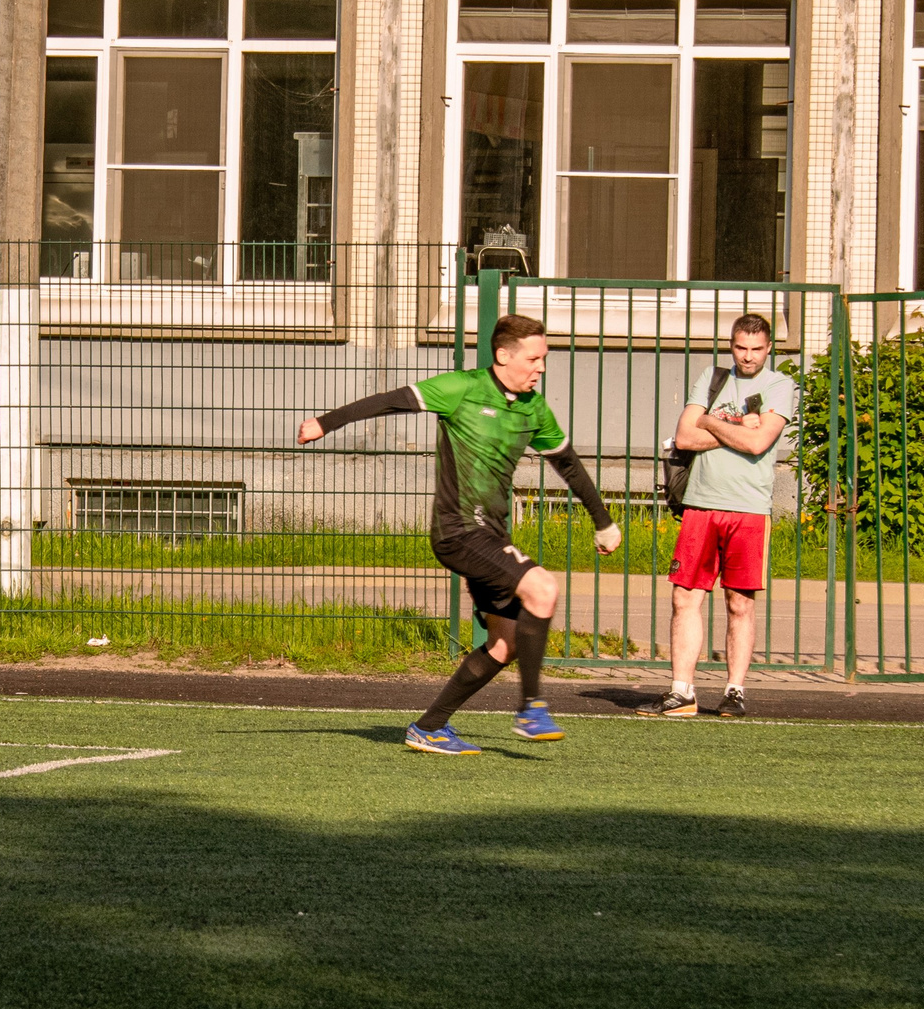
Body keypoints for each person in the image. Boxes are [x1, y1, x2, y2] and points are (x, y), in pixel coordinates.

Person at [298, 311, 621, 753]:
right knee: (542, 588)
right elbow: (388, 400)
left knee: (503, 645)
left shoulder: (534, 408)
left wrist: (602, 520)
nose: (541, 368)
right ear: (504, 355)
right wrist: (325, 422)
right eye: (534, 359)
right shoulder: (461, 389)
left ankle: (429, 727)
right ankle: (531, 709)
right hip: (459, 532)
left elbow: (568, 465)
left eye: (544, 359)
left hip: (493, 538)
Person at [647, 314, 798, 720]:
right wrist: (731, 422)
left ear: (769, 349)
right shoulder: (711, 379)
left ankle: (734, 691)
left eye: (756, 349)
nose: (747, 357)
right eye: (739, 347)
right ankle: (681, 692)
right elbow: (684, 436)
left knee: (740, 603)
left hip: (748, 509)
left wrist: (711, 423)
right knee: (684, 598)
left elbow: (758, 442)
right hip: (700, 503)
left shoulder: (779, 386)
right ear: (730, 345)